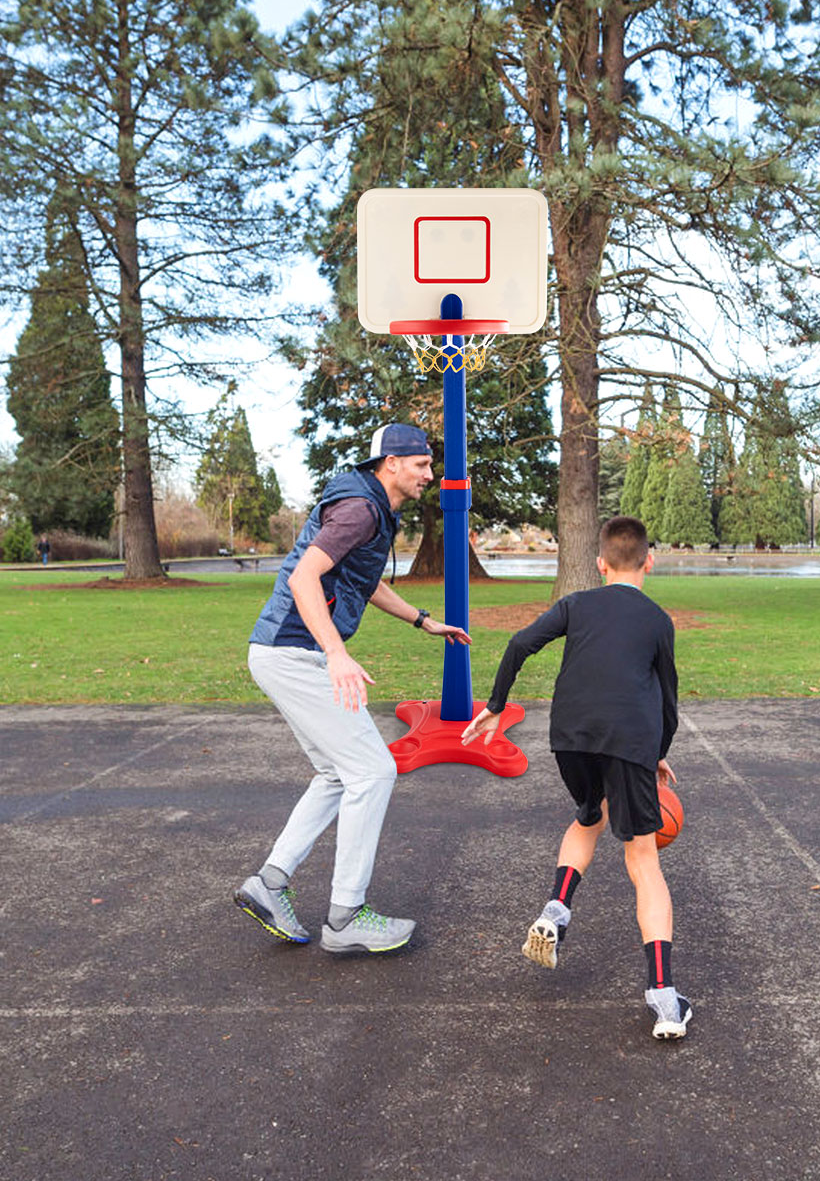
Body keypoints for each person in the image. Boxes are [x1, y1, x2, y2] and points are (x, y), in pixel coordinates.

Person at [236, 423, 471, 955]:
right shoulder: (360, 509)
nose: (429, 475)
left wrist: (421, 620)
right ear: (391, 462)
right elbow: (303, 578)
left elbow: (364, 580)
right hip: (295, 652)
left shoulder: (371, 508)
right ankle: (346, 916)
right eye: (421, 465)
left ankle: (269, 884)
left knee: (337, 774)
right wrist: (336, 653)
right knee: (374, 769)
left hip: (289, 652)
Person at [461, 515, 691, 1039]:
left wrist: (496, 705)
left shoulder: (576, 604)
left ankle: (557, 909)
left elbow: (519, 643)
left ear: (600, 564)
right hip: (629, 739)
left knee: (589, 816)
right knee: (642, 857)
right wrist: (656, 754)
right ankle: (665, 1000)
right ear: (649, 562)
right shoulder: (658, 620)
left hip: (570, 736)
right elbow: (669, 703)